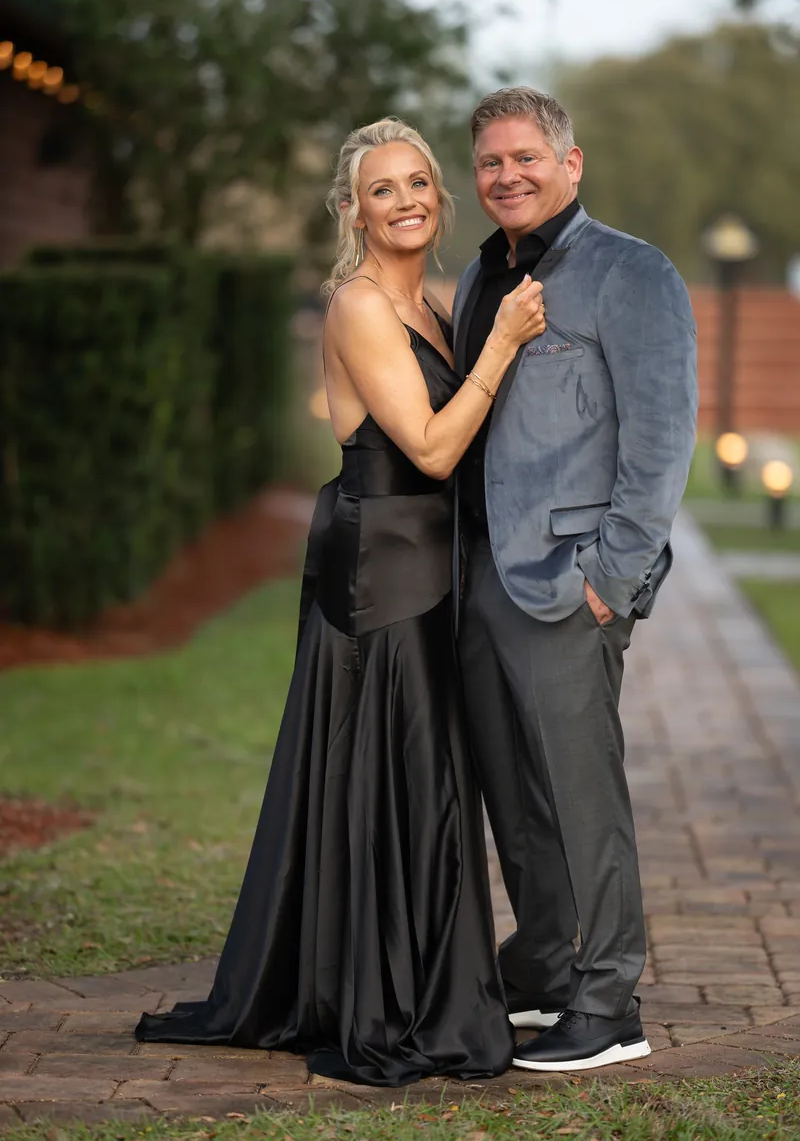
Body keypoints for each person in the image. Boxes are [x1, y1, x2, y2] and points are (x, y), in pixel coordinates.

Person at [135, 118, 546, 1087]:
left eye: (417, 183)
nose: (403, 200)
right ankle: (387, 993)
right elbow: (433, 450)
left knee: (429, 780)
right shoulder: (359, 308)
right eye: (380, 189)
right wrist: (505, 346)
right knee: (400, 776)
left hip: (427, 568)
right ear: (350, 211)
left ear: (437, 199)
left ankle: (417, 977)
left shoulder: (436, 304)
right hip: (382, 576)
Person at [453, 88, 698, 1073]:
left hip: (568, 584)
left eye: (524, 158)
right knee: (515, 796)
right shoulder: (480, 278)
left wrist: (613, 576)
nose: (505, 176)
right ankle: (547, 966)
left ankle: (609, 1000)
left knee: (581, 794)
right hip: (478, 582)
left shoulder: (630, 272)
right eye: (488, 163)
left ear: (570, 162)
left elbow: (659, 437)